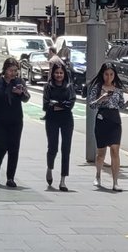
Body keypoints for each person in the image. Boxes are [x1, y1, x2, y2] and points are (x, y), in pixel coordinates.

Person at [0, 57, 30, 188]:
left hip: (16, 120)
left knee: (14, 148)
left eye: (15, 71)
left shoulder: (19, 82)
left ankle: (10, 177)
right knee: (1, 146)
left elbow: (26, 98)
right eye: (11, 70)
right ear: (5, 70)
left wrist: (21, 93)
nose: (13, 73)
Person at [88, 62, 127, 192]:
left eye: (111, 74)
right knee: (101, 153)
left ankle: (115, 182)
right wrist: (101, 98)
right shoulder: (97, 88)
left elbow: (121, 106)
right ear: (102, 74)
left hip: (114, 121)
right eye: (106, 74)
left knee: (115, 150)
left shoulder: (118, 89)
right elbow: (92, 105)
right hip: (102, 119)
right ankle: (98, 175)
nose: (109, 77)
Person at [43, 59, 75, 191]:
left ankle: (63, 180)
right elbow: (46, 105)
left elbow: (70, 104)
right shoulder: (48, 87)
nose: (59, 75)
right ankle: (49, 168)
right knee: (53, 147)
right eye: (57, 73)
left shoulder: (69, 86)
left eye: (61, 73)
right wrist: (58, 105)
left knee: (66, 149)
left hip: (67, 120)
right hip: (52, 119)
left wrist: (56, 104)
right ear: (53, 74)